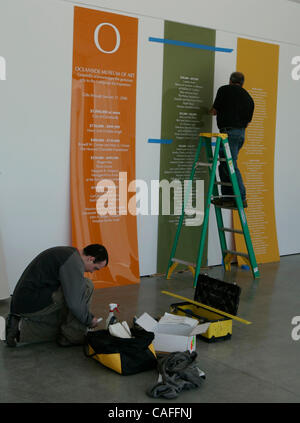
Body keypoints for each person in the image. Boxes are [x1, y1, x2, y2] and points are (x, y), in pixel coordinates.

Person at [5, 244, 108, 347]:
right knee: (86, 286)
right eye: (95, 268)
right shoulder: (73, 262)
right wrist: (89, 319)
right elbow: (74, 302)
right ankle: (72, 337)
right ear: (91, 259)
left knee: (65, 324)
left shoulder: (69, 254)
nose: (91, 271)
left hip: (24, 301)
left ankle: (19, 329)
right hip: (29, 301)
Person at [209, 71, 254, 208]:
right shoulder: (248, 97)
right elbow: (248, 121)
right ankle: (228, 198)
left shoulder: (224, 90)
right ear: (242, 83)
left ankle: (241, 197)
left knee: (230, 165)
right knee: (224, 165)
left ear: (230, 80)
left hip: (228, 133)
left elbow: (214, 111)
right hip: (240, 134)